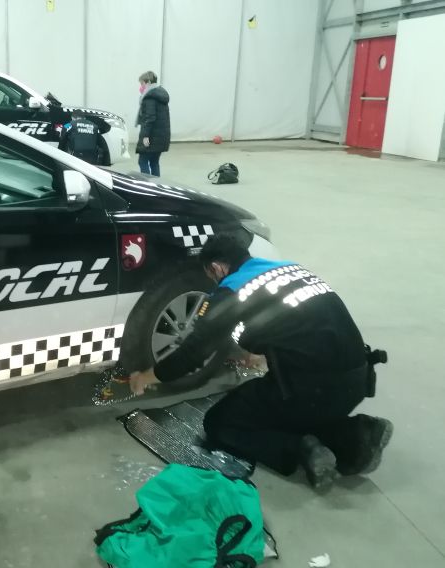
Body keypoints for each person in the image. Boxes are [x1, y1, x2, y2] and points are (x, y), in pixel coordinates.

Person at [129, 234, 393, 489]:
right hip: (358, 377)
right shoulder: (287, 269)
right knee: (290, 404)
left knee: (221, 422)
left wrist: (146, 377)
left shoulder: (231, 291)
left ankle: (301, 448)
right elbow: (300, 325)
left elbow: (191, 354)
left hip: (313, 392)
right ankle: (357, 435)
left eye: (210, 275)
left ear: (217, 267)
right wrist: (263, 353)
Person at [135, 71, 171, 177]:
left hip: (152, 136)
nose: (141, 87)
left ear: (149, 82)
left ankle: (146, 186)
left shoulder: (150, 97)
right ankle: (156, 186)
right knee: (154, 162)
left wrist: (145, 136)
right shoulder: (160, 95)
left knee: (142, 161)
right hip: (161, 136)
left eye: (142, 83)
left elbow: (150, 118)